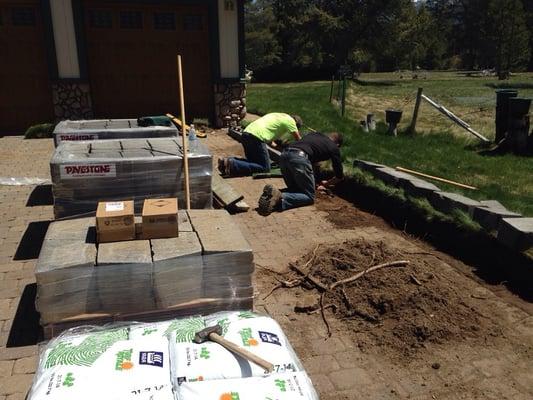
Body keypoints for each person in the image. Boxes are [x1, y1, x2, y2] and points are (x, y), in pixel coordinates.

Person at [257, 131, 344, 215]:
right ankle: (281, 196)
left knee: (295, 189)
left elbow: (311, 165)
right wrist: (325, 185)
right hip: (299, 158)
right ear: (338, 144)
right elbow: (339, 176)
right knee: (309, 196)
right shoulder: (334, 147)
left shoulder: (315, 135)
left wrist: (314, 182)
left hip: (284, 155)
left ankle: (272, 195)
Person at [219, 113, 303, 176]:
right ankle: (232, 163)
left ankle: (227, 162)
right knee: (265, 168)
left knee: (253, 162)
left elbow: (271, 143)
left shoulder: (278, 116)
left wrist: (281, 149)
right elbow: (299, 140)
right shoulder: (291, 121)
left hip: (246, 134)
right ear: (296, 123)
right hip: (256, 138)